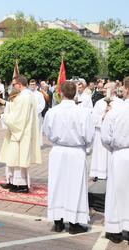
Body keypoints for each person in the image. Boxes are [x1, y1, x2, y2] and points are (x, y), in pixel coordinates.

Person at [43, 80, 94, 234]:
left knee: (57, 185)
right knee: (75, 187)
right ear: (75, 93)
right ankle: (73, 222)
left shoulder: (52, 112)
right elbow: (89, 136)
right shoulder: (83, 112)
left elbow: (46, 132)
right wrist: (86, 148)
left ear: (61, 93)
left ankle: (58, 222)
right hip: (76, 152)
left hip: (58, 151)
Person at [0, 75, 41, 193]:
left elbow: (17, 118)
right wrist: (2, 102)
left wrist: (1, 115)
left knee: (18, 158)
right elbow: (15, 107)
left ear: (19, 84)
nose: (13, 86)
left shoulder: (23, 97)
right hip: (21, 131)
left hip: (20, 132)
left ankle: (21, 185)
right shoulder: (27, 95)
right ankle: (13, 182)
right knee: (14, 157)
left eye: (14, 84)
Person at [101, 76, 129, 244]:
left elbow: (105, 137)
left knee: (115, 192)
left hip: (120, 154)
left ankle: (114, 230)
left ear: (126, 89)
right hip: (121, 151)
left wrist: (115, 149)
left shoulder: (115, 111)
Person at [89, 82, 124, 181]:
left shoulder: (120, 103)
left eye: (106, 88)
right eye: (104, 88)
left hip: (113, 134)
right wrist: (103, 116)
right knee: (100, 155)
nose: (104, 90)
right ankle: (99, 174)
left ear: (113, 90)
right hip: (100, 133)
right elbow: (93, 118)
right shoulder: (99, 103)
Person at [28, 79, 45, 146]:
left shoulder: (39, 94)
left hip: (37, 116)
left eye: (33, 84)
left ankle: (37, 145)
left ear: (36, 85)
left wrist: (35, 110)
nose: (32, 86)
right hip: (28, 116)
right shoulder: (27, 94)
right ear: (29, 85)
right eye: (31, 84)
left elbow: (42, 104)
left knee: (37, 130)